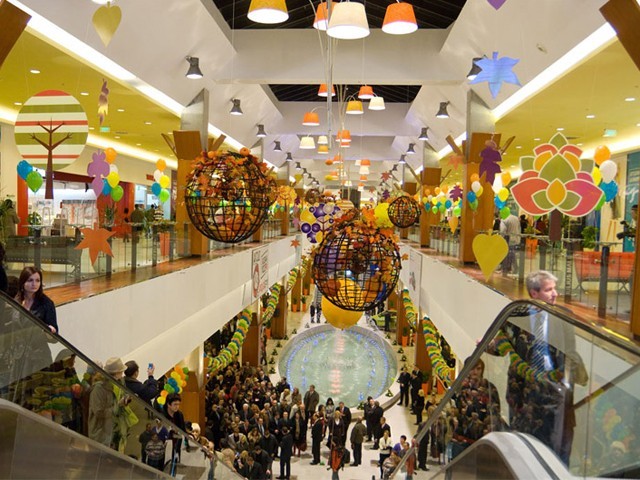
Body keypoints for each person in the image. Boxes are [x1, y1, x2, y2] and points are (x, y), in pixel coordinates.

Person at [494, 270, 587, 464]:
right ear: (534, 293)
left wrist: (567, 378)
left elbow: (570, 352)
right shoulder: (515, 314)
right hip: (522, 394)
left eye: (555, 289)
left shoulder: (564, 317)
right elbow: (501, 344)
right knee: (523, 448)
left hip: (553, 392)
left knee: (554, 449)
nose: (555, 294)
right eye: (549, 290)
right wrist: (488, 345)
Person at [15, 267, 58, 334]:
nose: (34, 284)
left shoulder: (47, 303)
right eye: (30, 280)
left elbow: (54, 334)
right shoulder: (15, 299)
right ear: (23, 282)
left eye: (37, 280)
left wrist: (50, 331)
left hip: (36, 340)